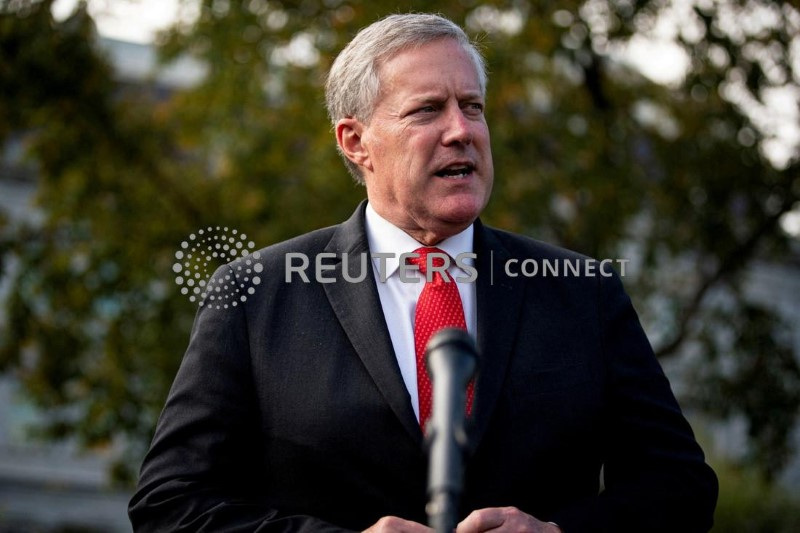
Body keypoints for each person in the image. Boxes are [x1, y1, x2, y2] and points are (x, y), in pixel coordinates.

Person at [129, 13, 717, 533]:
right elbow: (170, 503)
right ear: (356, 141)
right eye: (428, 110)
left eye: (473, 107)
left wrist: (558, 531)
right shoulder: (258, 296)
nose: (462, 130)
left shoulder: (582, 294)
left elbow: (682, 488)